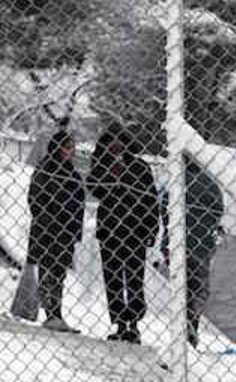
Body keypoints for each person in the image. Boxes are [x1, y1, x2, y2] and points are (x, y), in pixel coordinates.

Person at [88, 124, 160, 344]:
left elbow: (151, 199)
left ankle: (134, 324)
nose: (116, 151)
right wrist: (111, 176)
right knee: (113, 279)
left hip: (135, 232)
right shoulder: (101, 167)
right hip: (110, 232)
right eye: (111, 146)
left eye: (120, 146)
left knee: (134, 280)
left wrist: (151, 228)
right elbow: (94, 188)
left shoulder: (140, 168)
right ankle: (120, 323)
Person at [160, 156, 225, 348]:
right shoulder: (209, 183)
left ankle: (181, 327)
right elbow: (218, 211)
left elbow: (163, 209)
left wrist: (168, 234)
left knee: (179, 285)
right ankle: (192, 327)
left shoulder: (174, 182)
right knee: (197, 286)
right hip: (201, 245)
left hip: (175, 241)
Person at [27, 129, 85, 333]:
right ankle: (50, 313)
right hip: (48, 229)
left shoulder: (71, 172)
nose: (71, 152)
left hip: (65, 230)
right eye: (67, 147)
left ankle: (56, 313)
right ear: (57, 147)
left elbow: (79, 201)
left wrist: (73, 227)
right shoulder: (46, 169)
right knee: (47, 269)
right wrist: (51, 217)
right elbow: (35, 199)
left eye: (72, 148)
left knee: (59, 272)